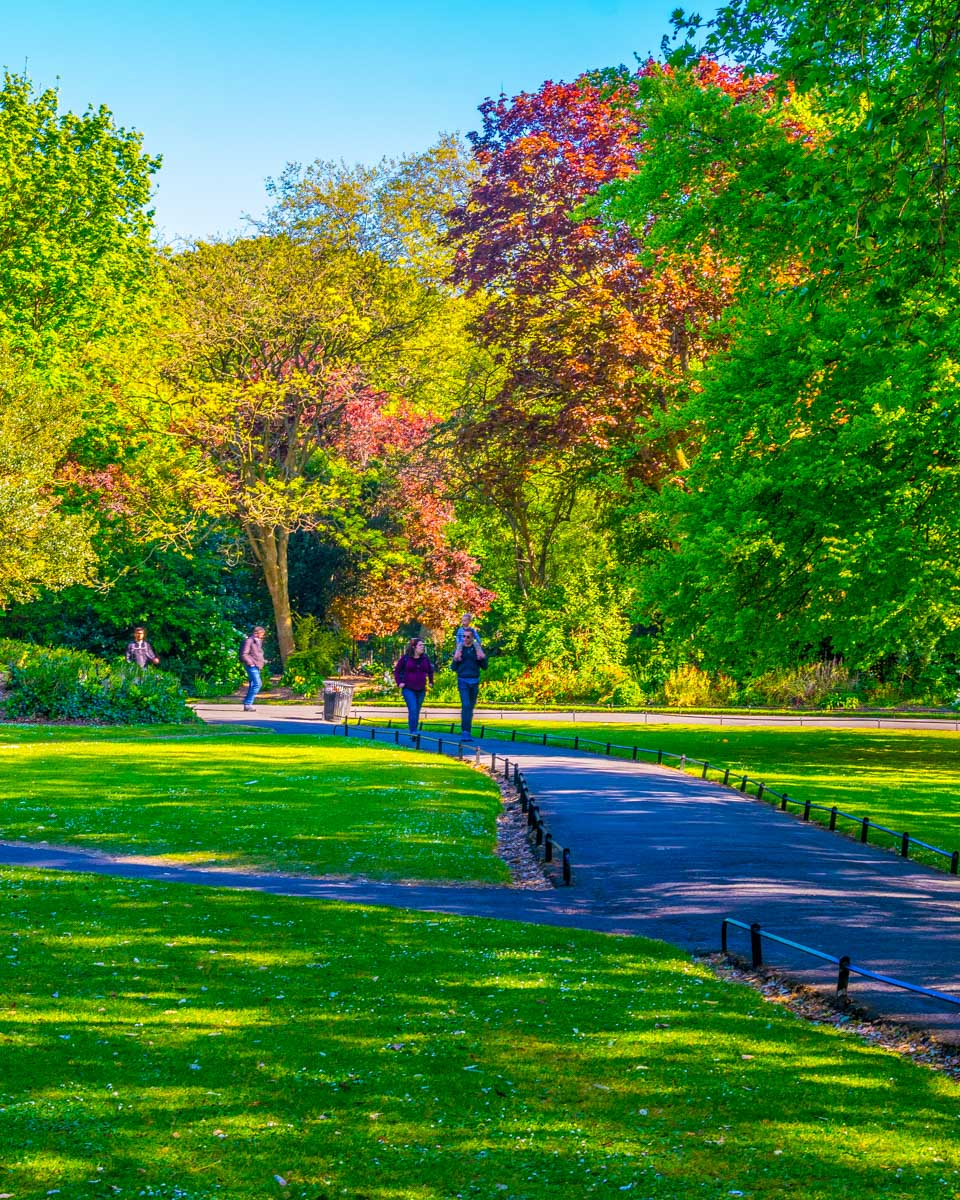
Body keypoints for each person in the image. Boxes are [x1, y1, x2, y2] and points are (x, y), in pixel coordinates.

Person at [451, 628, 486, 739]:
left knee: (470, 707)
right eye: (463, 636)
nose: (465, 639)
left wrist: (481, 659)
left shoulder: (477, 649)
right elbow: (453, 667)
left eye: (468, 637)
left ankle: (468, 730)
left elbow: (485, 666)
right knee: (465, 705)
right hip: (463, 680)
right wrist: (456, 660)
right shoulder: (459, 650)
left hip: (474, 681)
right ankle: (465, 731)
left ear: (472, 638)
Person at [393, 638, 434, 734]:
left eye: (423, 645)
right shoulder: (405, 658)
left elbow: (430, 670)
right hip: (408, 688)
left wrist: (431, 681)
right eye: (420, 645)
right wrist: (399, 682)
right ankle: (413, 731)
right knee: (413, 709)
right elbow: (397, 671)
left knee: (417, 710)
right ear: (414, 647)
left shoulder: (425, 658)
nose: (422, 647)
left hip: (421, 689)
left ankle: (414, 729)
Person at [240, 626, 267, 711]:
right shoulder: (249, 641)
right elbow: (244, 654)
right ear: (256, 633)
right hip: (252, 666)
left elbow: (257, 654)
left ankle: (247, 704)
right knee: (257, 684)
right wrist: (251, 663)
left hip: (257, 665)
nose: (262, 635)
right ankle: (248, 703)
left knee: (253, 684)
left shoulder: (257, 641)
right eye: (262, 634)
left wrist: (263, 661)